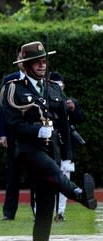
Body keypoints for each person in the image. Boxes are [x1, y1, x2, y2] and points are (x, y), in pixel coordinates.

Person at [1, 41, 97, 241]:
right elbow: (13, 125)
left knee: (46, 200)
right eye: (37, 61)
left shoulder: (54, 88)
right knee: (51, 172)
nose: (42, 64)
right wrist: (36, 130)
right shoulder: (14, 88)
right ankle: (80, 194)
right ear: (25, 65)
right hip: (27, 149)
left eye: (44, 60)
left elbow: (64, 124)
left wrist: (67, 155)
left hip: (51, 148)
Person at [49, 72, 86, 222]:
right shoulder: (45, 101)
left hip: (65, 147)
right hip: (50, 145)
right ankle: (46, 211)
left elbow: (81, 118)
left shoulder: (70, 101)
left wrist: (73, 108)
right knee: (49, 178)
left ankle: (61, 212)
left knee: (65, 179)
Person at [0, 46, 26, 221]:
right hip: (13, 134)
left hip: (34, 134)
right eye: (20, 57)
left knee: (36, 175)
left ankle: (38, 210)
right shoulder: (10, 80)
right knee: (12, 175)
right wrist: (2, 134)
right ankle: (9, 212)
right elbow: (3, 109)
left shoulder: (41, 80)